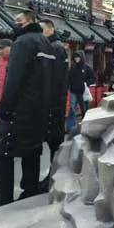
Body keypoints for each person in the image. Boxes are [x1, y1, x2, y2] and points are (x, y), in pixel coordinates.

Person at [0, 11, 54, 209]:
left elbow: (15, 77)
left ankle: (4, 197)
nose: (15, 23)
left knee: (1, 151)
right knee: (32, 151)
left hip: (19, 107)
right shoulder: (46, 42)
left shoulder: (22, 42)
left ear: (29, 22)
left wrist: (6, 107)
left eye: (19, 21)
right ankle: (29, 190)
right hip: (39, 108)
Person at [39, 19, 69, 191]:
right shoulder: (55, 46)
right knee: (53, 141)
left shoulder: (55, 48)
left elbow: (54, 78)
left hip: (54, 102)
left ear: (51, 29)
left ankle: (53, 177)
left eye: (42, 30)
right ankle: (53, 175)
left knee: (54, 142)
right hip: (55, 101)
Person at [67, 51, 93, 133]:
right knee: (72, 109)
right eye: (75, 57)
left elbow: (92, 78)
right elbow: (68, 78)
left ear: (81, 57)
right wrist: (68, 85)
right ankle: (71, 127)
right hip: (73, 91)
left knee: (84, 110)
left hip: (83, 92)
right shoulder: (72, 67)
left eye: (78, 57)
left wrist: (86, 83)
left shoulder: (86, 68)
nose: (76, 59)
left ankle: (85, 127)